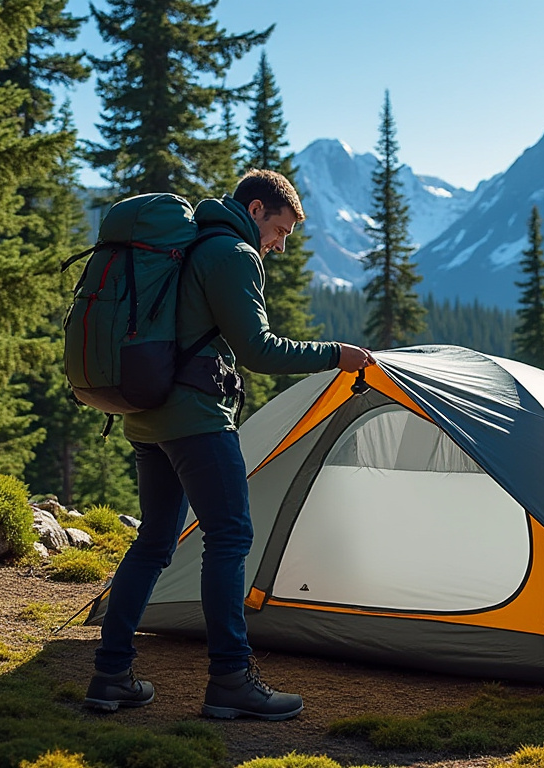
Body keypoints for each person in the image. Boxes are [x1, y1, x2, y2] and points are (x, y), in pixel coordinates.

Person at [83, 169, 373, 721]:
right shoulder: (233, 255)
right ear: (257, 209)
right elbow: (259, 350)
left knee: (153, 543)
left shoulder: (191, 243)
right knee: (230, 537)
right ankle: (231, 680)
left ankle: (110, 674)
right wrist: (337, 353)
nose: (280, 245)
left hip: (147, 415)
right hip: (194, 418)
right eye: (281, 231)